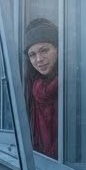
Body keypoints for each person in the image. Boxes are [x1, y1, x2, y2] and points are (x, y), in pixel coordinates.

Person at [22, 18, 59, 158]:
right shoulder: (30, 87)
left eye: (44, 50)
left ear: (57, 48)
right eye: (32, 55)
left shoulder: (72, 85)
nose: (38, 59)